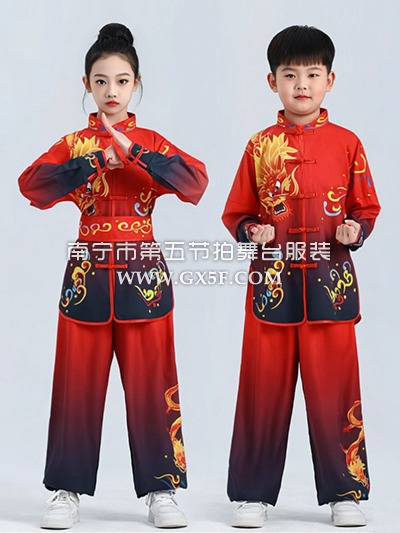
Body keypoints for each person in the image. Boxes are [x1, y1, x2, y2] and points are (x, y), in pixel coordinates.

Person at [19, 22, 208, 530]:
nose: (111, 91)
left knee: (153, 382)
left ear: (136, 84)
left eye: (122, 81)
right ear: (86, 84)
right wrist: (95, 161)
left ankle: (162, 490)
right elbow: (31, 185)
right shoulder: (74, 144)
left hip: (143, 278)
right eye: (100, 81)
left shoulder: (150, 141)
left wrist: (135, 153)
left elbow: (195, 182)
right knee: (75, 385)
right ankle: (66, 490)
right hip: (87, 276)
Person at [222, 25, 380, 528]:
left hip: (331, 286)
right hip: (272, 286)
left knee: (336, 389)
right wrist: (252, 230)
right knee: (261, 389)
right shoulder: (259, 146)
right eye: (290, 75)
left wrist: (356, 229)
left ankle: (345, 492)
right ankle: (252, 495)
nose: (302, 84)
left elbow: (366, 207)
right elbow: (236, 212)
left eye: (313, 74)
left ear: (330, 80)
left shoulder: (348, 144)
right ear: (272, 82)